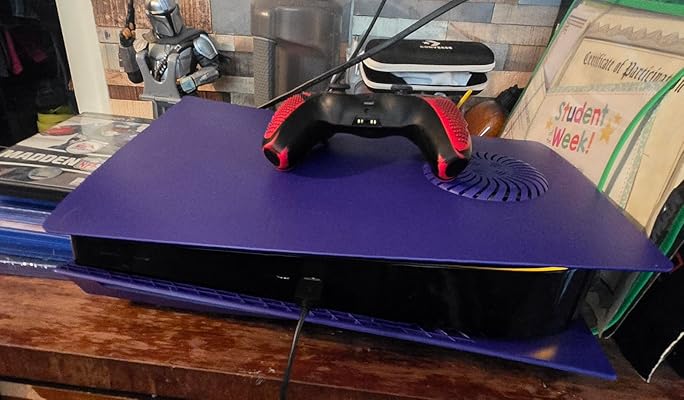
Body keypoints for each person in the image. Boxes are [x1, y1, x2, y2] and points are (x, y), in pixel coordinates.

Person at [118, 0, 221, 116]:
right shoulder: (148, 42)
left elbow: (214, 69)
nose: (168, 19)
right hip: (159, 101)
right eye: (162, 15)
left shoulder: (194, 39)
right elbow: (136, 77)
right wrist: (126, 46)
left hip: (187, 98)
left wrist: (188, 83)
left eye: (171, 13)